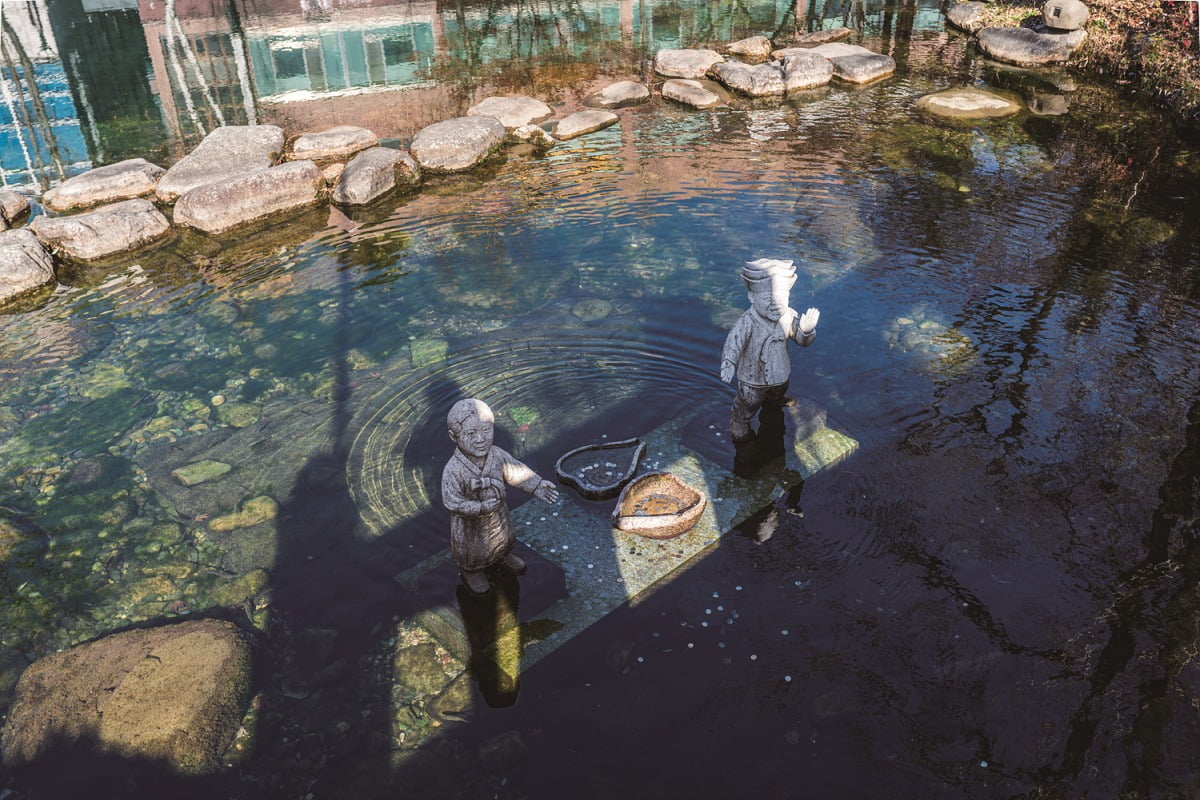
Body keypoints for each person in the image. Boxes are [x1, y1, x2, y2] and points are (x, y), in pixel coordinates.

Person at [441, 398, 559, 594]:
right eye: (471, 433)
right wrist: (479, 508)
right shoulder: (453, 470)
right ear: (454, 436)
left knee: (502, 537)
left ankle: (502, 555)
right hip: (471, 526)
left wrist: (536, 484)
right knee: (472, 550)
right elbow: (452, 501)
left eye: (486, 431)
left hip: (497, 514)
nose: (481, 439)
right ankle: (473, 571)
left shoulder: (496, 455)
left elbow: (516, 471)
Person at [720, 258, 820, 442]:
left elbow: (801, 341)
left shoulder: (789, 315)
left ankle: (774, 402)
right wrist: (728, 362)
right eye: (768, 298)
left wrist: (806, 330)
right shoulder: (748, 321)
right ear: (752, 297)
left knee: (779, 390)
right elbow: (734, 342)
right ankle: (739, 420)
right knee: (749, 401)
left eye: (781, 298)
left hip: (780, 372)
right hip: (752, 377)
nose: (775, 303)